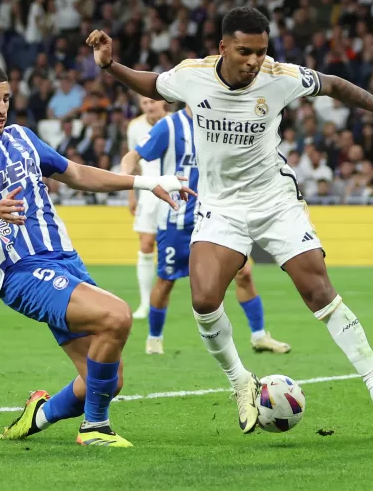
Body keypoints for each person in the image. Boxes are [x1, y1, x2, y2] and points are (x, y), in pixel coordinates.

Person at [86, 7, 373, 432]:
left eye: (261, 52)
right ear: (223, 47)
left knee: (318, 289)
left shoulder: (279, 76)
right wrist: (111, 66)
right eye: (245, 51)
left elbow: (335, 85)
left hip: (274, 200)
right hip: (220, 205)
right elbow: (151, 82)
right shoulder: (193, 75)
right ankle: (240, 381)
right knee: (205, 299)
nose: (253, 61)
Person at [0, 63, 193, 448]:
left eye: (6, 98)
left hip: (66, 262)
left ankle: (38, 415)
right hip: (20, 269)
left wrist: (146, 181)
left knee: (106, 380)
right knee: (117, 315)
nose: (1, 108)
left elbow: (78, 174)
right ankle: (95, 429)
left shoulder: (22, 137)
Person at [120, 103, 291, 355]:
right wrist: (128, 178)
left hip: (217, 217)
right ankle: (154, 338)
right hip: (177, 219)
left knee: (244, 273)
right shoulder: (169, 125)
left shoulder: (222, 121)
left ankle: (259, 336)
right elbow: (132, 155)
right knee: (166, 281)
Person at [125, 95, 168, 319]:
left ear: (163, 102)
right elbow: (132, 162)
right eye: (145, 103)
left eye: (153, 101)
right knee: (146, 244)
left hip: (173, 188)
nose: (150, 106)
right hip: (148, 191)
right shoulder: (135, 127)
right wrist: (131, 195)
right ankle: (145, 303)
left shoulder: (174, 122)